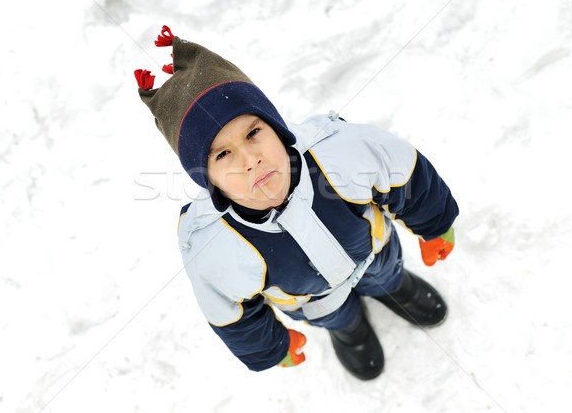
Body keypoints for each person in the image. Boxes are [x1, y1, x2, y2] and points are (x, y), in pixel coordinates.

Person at [134, 26, 459, 380]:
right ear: (205, 175)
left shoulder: (337, 152)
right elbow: (228, 310)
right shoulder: (213, 244)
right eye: (224, 154)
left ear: (276, 127)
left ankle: (398, 288)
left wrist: (435, 225)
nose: (250, 159)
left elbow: (404, 173)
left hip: (376, 253)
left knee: (388, 273)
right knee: (336, 315)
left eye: (253, 133)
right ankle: (349, 331)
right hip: (313, 301)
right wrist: (274, 346)